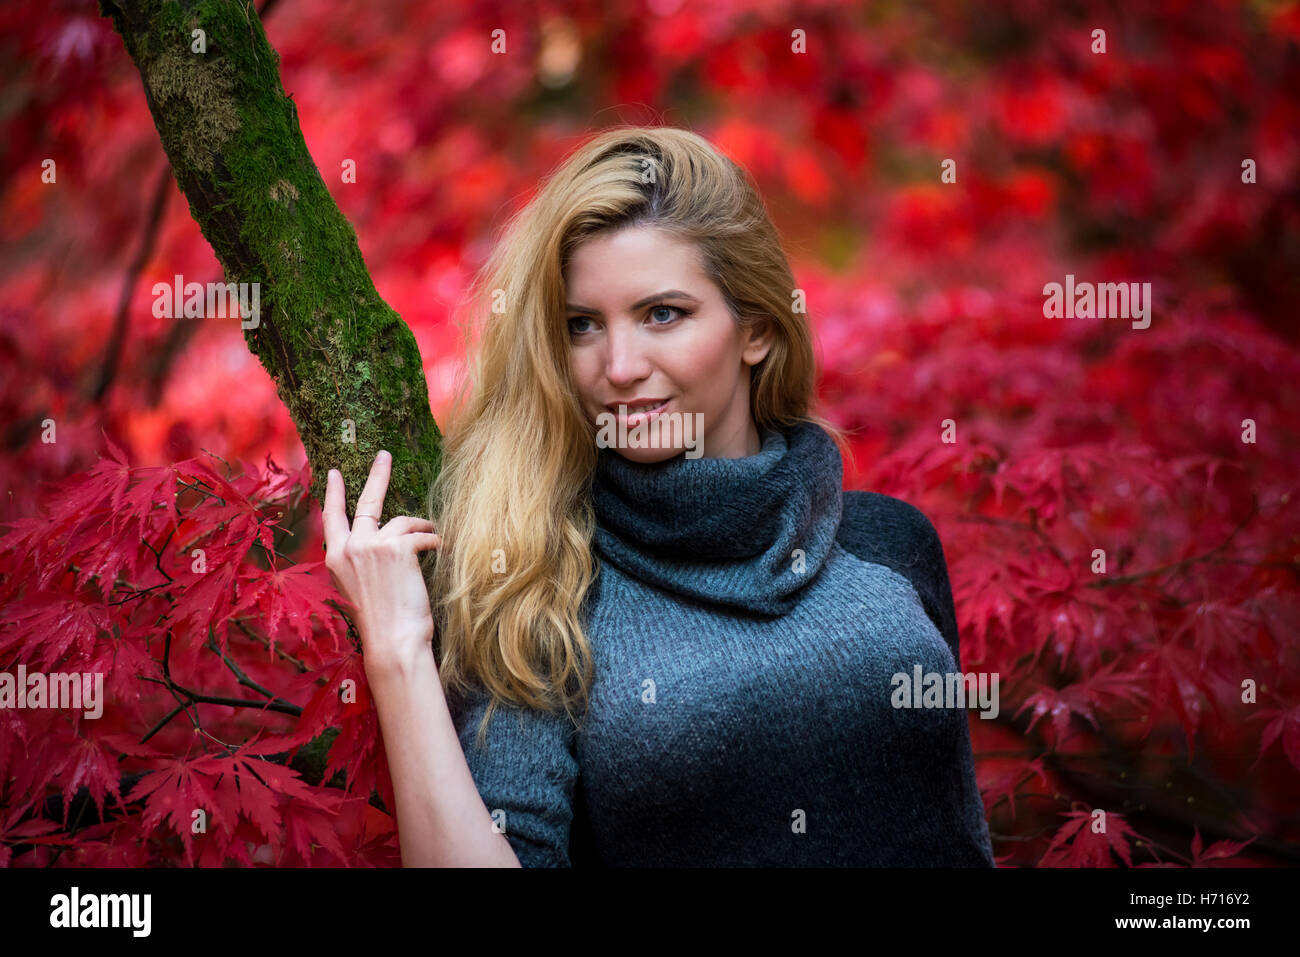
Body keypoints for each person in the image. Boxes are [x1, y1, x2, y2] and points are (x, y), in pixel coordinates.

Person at [321, 126, 996, 867]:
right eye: (583, 325)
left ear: (758, 330)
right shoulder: (537, 589)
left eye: (662, 314)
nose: (617, 364)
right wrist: (397, 655)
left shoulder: (889, 543)